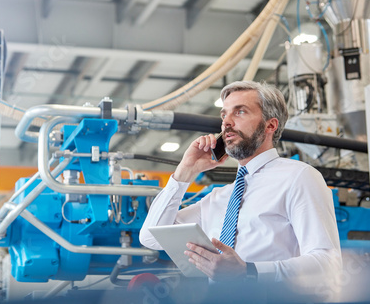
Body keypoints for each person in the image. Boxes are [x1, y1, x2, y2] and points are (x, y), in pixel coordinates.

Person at [139, 81, 342, 296]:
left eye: (240, 112)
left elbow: (328, 263)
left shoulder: (298, 177)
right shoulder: (218, 198)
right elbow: (151, 237)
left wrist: (249, 271)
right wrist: (185, 171)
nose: (227, 122)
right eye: (224, 115)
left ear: (270, 126)